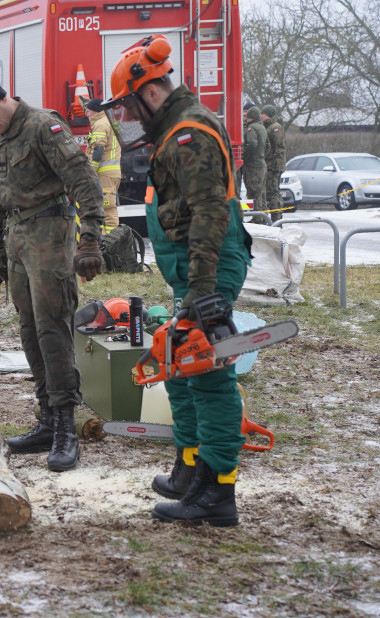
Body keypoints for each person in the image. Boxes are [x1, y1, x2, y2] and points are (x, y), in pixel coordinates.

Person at [103, 34, 252, 526]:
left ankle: (218, 492)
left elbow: (210, 211)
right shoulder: (172, 133)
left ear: (148, 92)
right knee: (182, 368)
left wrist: (203, 290)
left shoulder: (188, 133)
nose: (127, 119)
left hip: (206, 267)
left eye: (128, 106)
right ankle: (189, 469)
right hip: (191, 269)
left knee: (208, 377)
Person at [0, 77, 108, 472]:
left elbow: (84, 180)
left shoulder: (44, 126)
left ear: (2, 100)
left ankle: (65, 425)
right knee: (28, 328)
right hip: (16, 241)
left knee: (52, 326)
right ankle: (47, 417)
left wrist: (90, 240)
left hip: (50, 233)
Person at [81, 97, 123, 234]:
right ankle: (110, 241)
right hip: (111, 174)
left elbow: (98, 151)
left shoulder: (100, 124)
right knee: (107, 209)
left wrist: (90, 172)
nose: (86, 114)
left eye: (88, 111)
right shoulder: (109, 121)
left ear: (95, 111)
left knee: (107, 210)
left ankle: (110, 242)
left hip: (104, 175)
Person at [242, 105, 269, 217]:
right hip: (262, 164)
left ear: (250, 116)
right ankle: (263, 219)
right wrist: (261, 156)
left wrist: (244, 157)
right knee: (261, 194)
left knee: (253, 194)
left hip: (253, 166)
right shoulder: (262, 127)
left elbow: (252, 144)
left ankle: (257, 219)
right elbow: (268, 146)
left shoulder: (251, 128)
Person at [261, 104, 286, 214]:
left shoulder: (275, 128)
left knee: (273, 193)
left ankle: (276, 218)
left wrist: (277, 165)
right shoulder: (266, 127)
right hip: (268, 165)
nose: (261, 116)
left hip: (273, 166)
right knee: (268, 192)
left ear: (269, 115)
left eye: (263, 114)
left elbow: (279, 147)